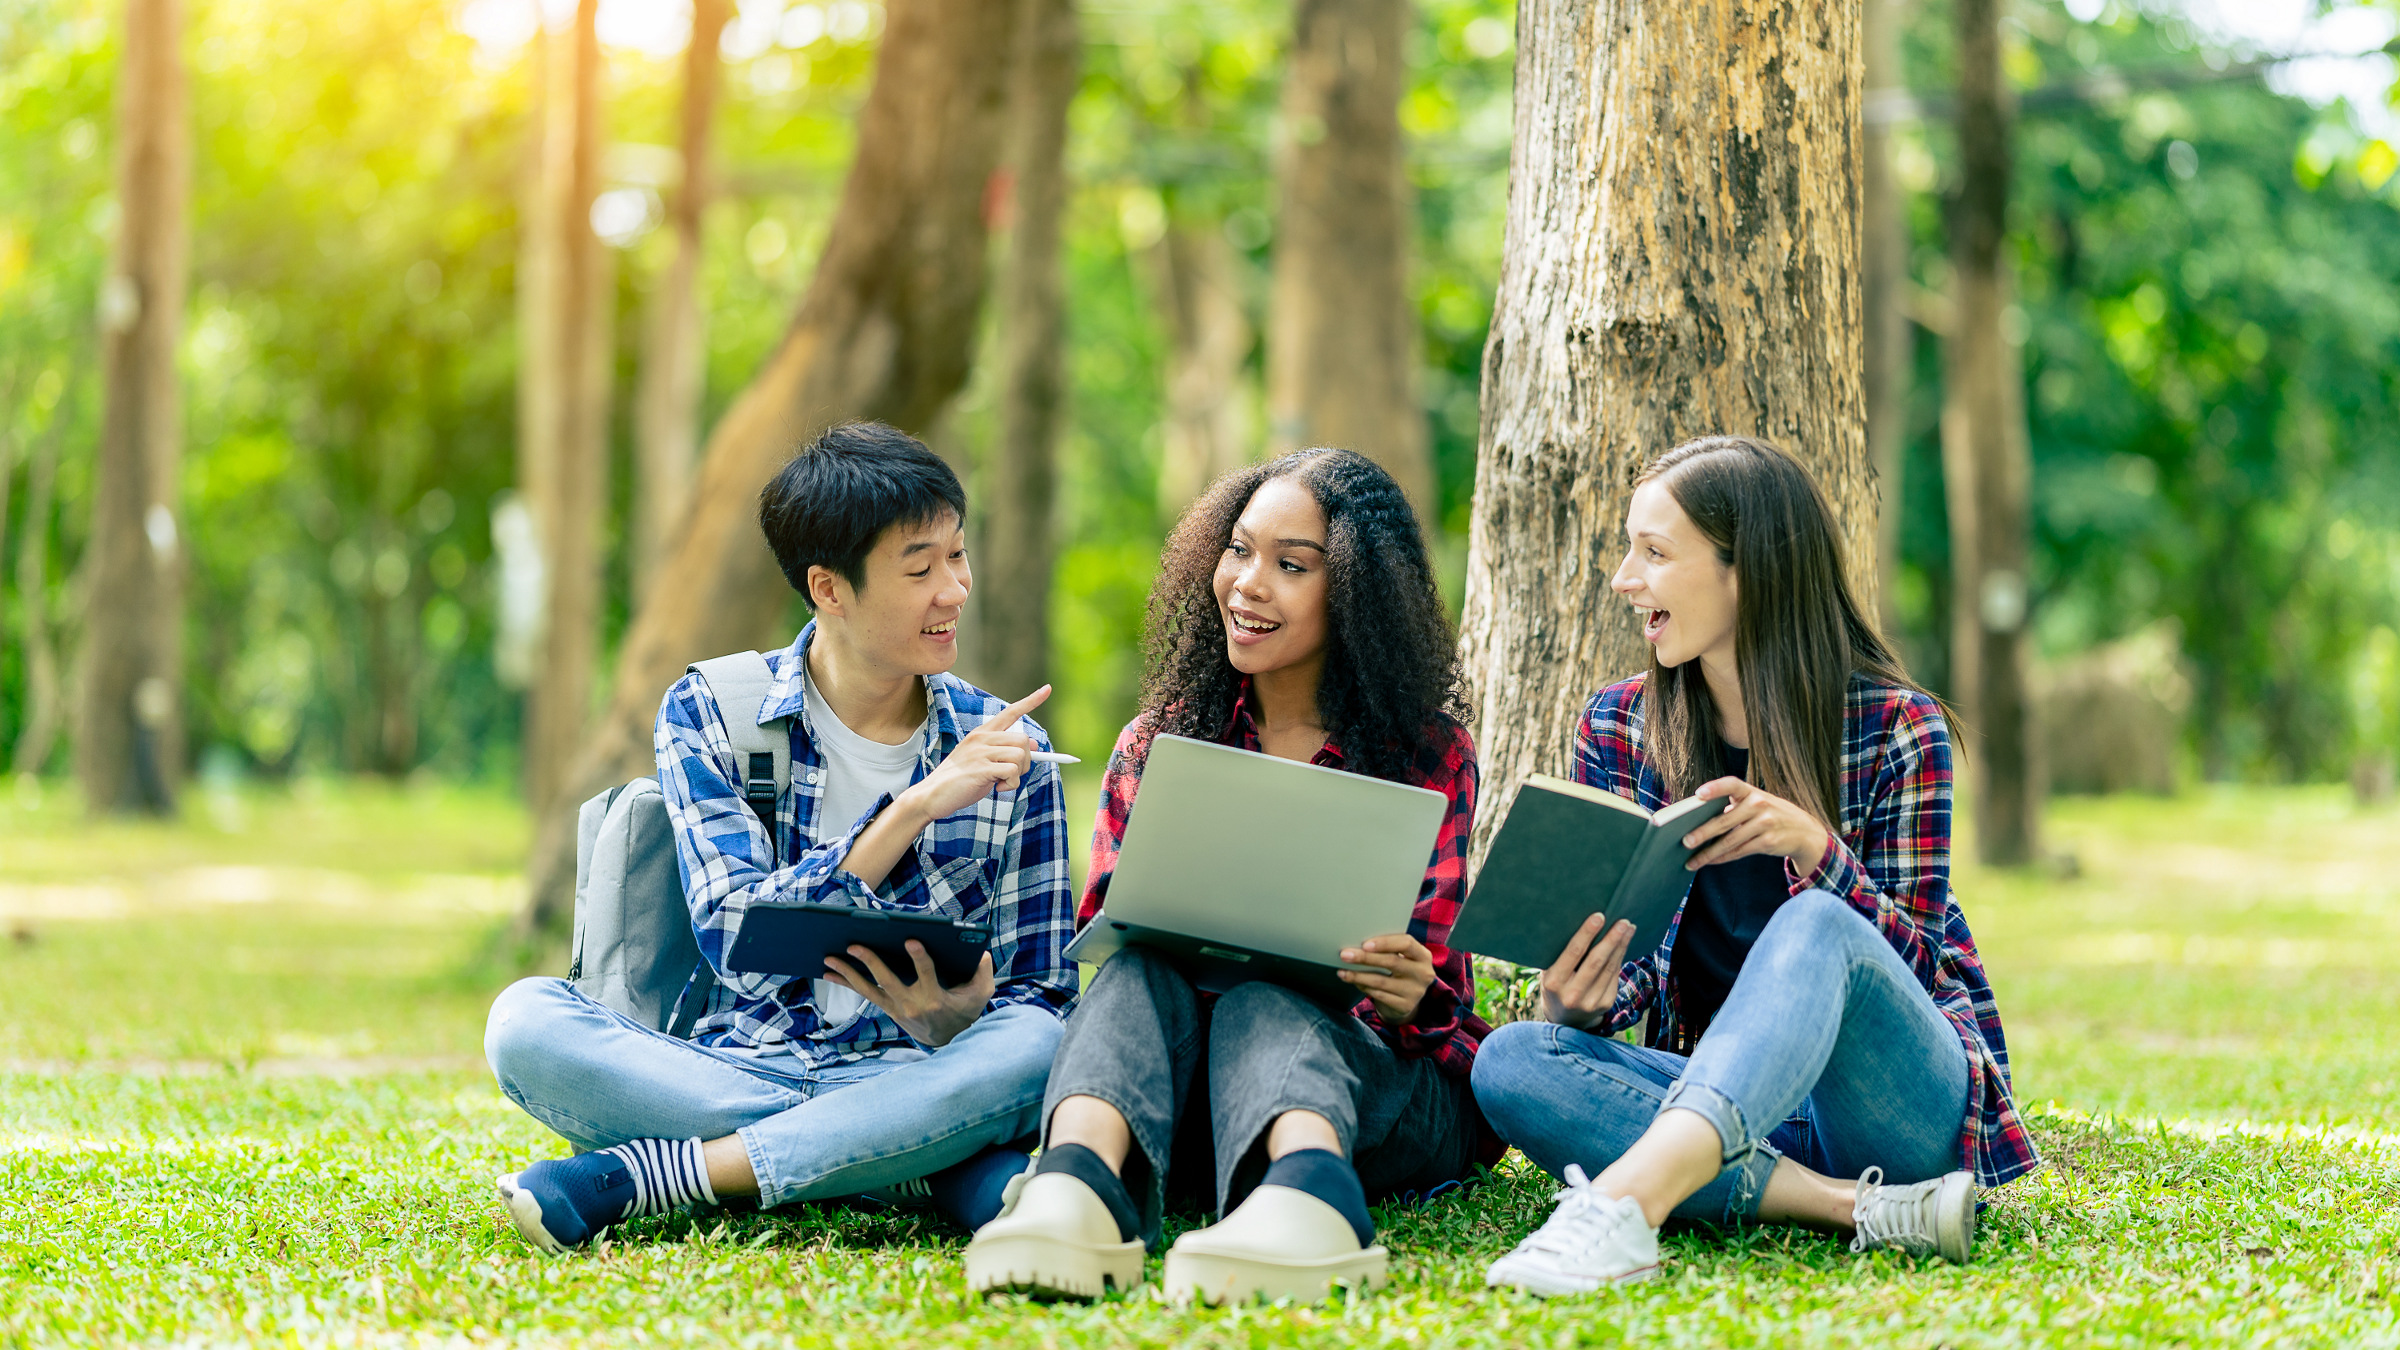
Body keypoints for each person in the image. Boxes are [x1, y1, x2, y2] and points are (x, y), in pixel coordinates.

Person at [483, 422, 1078, 1252]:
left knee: (1038, 1047)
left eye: (958, 554)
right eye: (921, 568)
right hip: (736, 1067)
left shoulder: (1012, 748)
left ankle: (661, 1176)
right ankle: (917, 1165)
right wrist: (910, 810)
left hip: (923, 1066)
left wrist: (960, 1026)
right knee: (523, 1022)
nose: (955, 589)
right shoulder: (713, 712)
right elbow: (734, 932)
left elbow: (1044, 992)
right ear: (830, 589)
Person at [1474, 435, 2040, 1296]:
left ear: (1749, 573)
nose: (1626, 579)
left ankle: (1625, 1206)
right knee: (1511, 1058)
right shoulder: (1619, 726)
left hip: (1889, 1109)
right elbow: (1638, 970)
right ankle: (1850, 1209)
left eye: (1654, 554)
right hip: (1725, 1103)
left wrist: (1817, 855)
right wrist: (1578, 998)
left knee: (1816, 922)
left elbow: (1921, 967)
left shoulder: (1897, 729)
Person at [962, 448, 1495, 1305]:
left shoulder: (1423, 754)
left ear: (1358, 593)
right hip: (1192, 1099)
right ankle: (1074, 1189)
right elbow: (1112, 929)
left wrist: (1413, 992)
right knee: (1141, 968)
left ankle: (1311, 1201)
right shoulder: (1160, 740)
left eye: (1291, 566)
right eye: (1239, 550)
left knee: (1268, 993)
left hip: (1373, 1090)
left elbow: (1445, 1013)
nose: (1248, 583)